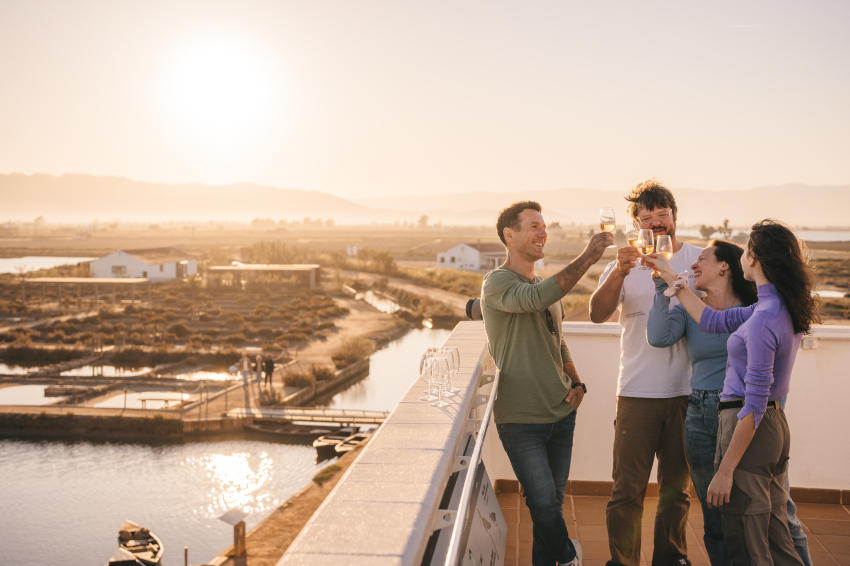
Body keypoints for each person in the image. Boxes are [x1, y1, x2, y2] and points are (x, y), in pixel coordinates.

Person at [646, 219, 819, 566]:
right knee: (775, 530)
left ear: (753, 260)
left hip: (750, 422)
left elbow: (754, 403)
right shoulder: (774, 306)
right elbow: (712, 320)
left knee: (747, 538)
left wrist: (725, 470)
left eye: (747, 248)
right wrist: (668, 274)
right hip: (770, 423)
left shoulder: (764, 319)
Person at [481, 200, 613, 566]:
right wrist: (588, 257)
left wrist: (578, 382)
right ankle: (570, 558)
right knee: (541, 502)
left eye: (544, 226)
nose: (543, 233)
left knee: (549, 507)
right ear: (510, 235)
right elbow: (535, 300)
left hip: (561, 413)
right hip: (521, 419)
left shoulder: (540, 283)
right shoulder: (497, 283)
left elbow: (559, 339)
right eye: (533, 226)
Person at [588, 180, 701, 566]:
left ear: (674, 217)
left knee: (677, 491)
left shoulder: (700, 260)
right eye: (646, 217)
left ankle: (672, 559)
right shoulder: (622, 265)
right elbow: (597, 314)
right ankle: (623, 562)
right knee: (626, 493)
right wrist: (619, 273)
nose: (656, 223)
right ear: (635, 224)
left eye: (662, 215)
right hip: (636, 393)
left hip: (688, 393)